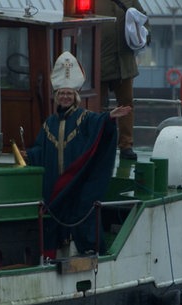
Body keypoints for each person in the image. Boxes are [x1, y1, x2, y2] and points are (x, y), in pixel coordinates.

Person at [24, 52, 131, 259]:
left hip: (77, 184)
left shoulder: (85, 118)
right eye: (62, 93)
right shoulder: (49, 124)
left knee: (81, 213)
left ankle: (82, 253)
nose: (65, 97)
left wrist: (109, 118)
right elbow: (41, 149)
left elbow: (100, 125)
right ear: (57, 96)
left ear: (76, 96)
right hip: (56, 186)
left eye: (69, 94)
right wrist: (28, 155)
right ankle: (54, 256)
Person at [97, 0, 150, 160]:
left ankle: (126, 145)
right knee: (97, 107)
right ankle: (97, 144)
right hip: (99, 64)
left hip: (124, 64)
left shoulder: (131, 0)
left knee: (126, 105)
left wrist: (143, 36)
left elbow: (144, 21)